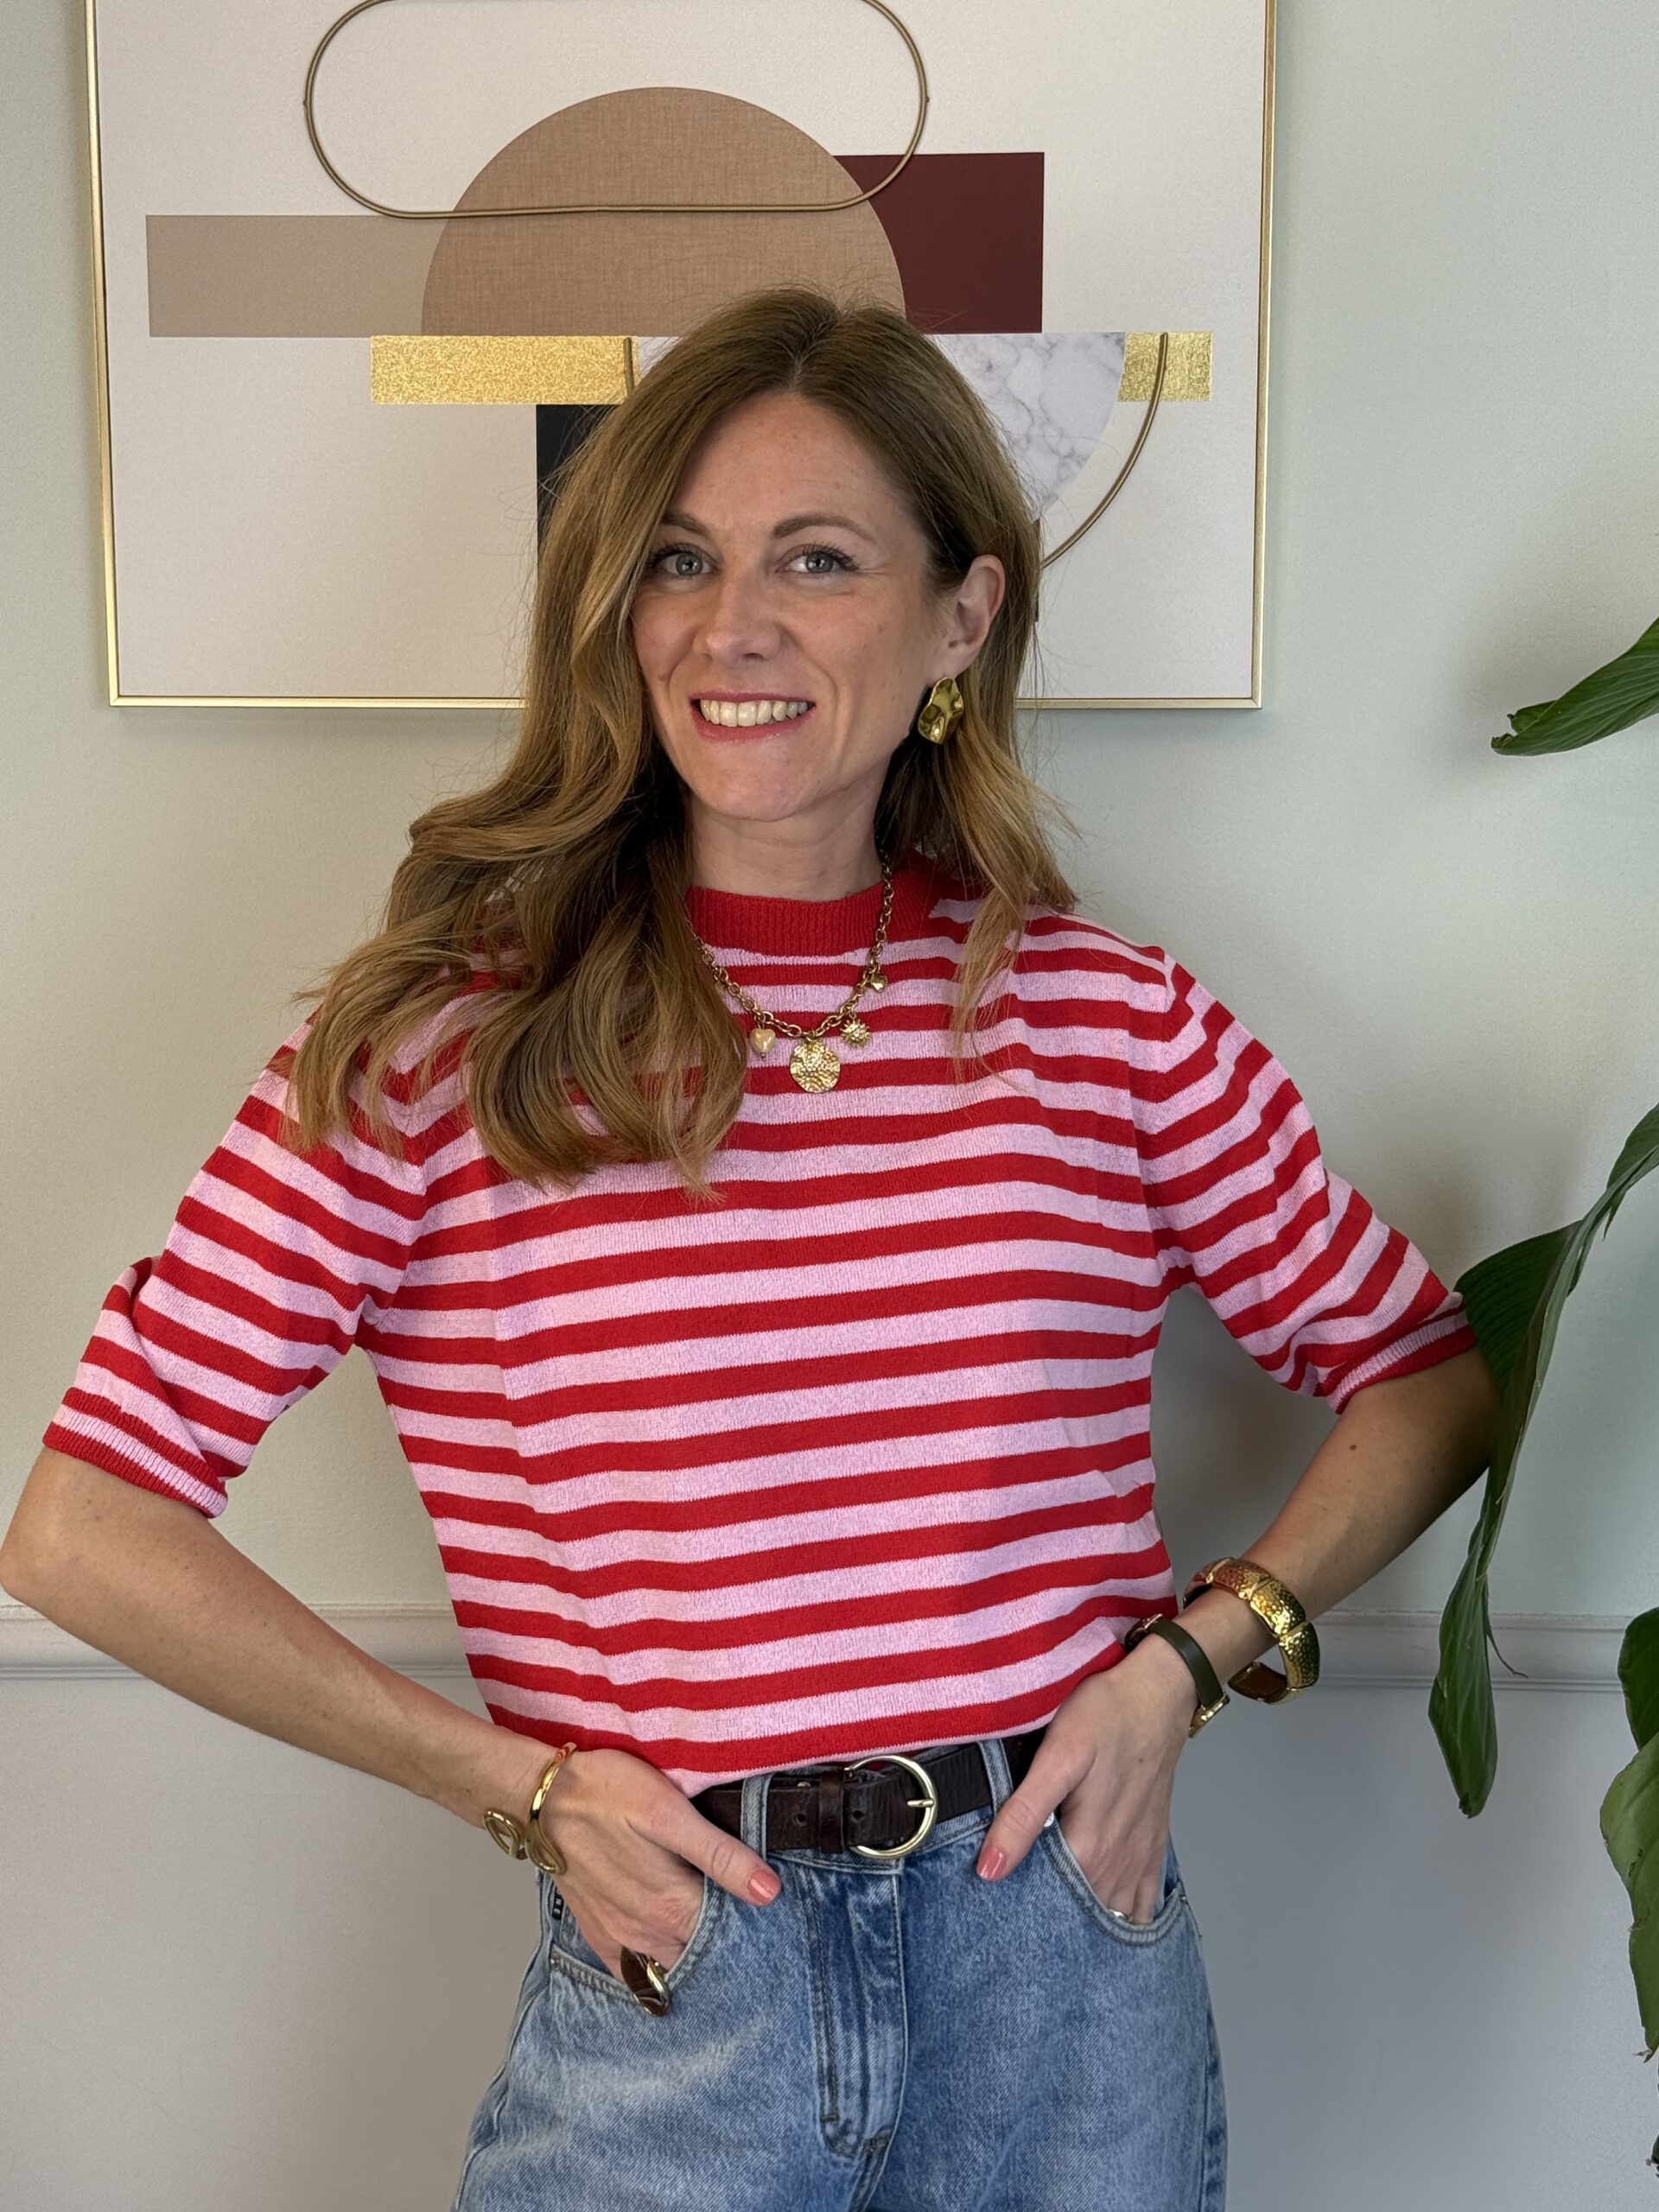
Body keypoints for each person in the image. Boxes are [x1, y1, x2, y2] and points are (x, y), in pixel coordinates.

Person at [1, 284, 1501, 2210]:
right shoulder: (443, 1047)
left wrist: (1193, 1666)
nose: (734, 626)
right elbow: (84, 1528)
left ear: (961, 616)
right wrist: (514, 1786)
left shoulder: (1108, 1023)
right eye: (680, 559)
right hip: (681, 1979)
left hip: (1062, 1966)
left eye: (818, 557)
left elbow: (1426, 1373)